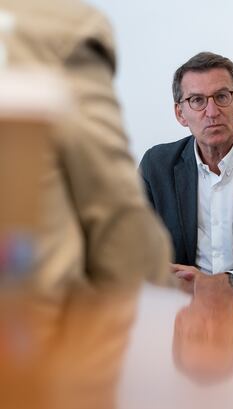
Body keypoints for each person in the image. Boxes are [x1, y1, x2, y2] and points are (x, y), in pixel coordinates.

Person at [0, 0, 171, 298]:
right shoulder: (59, 27)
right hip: (29, 325)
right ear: (179, 110)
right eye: (196, 100)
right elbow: (119, 230)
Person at [140, 52, 233, 294]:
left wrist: (224, 285)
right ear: (180, 113)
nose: (212, 111)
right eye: (197, 100)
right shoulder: (157, 166)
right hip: (181, 308)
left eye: (221, 97)